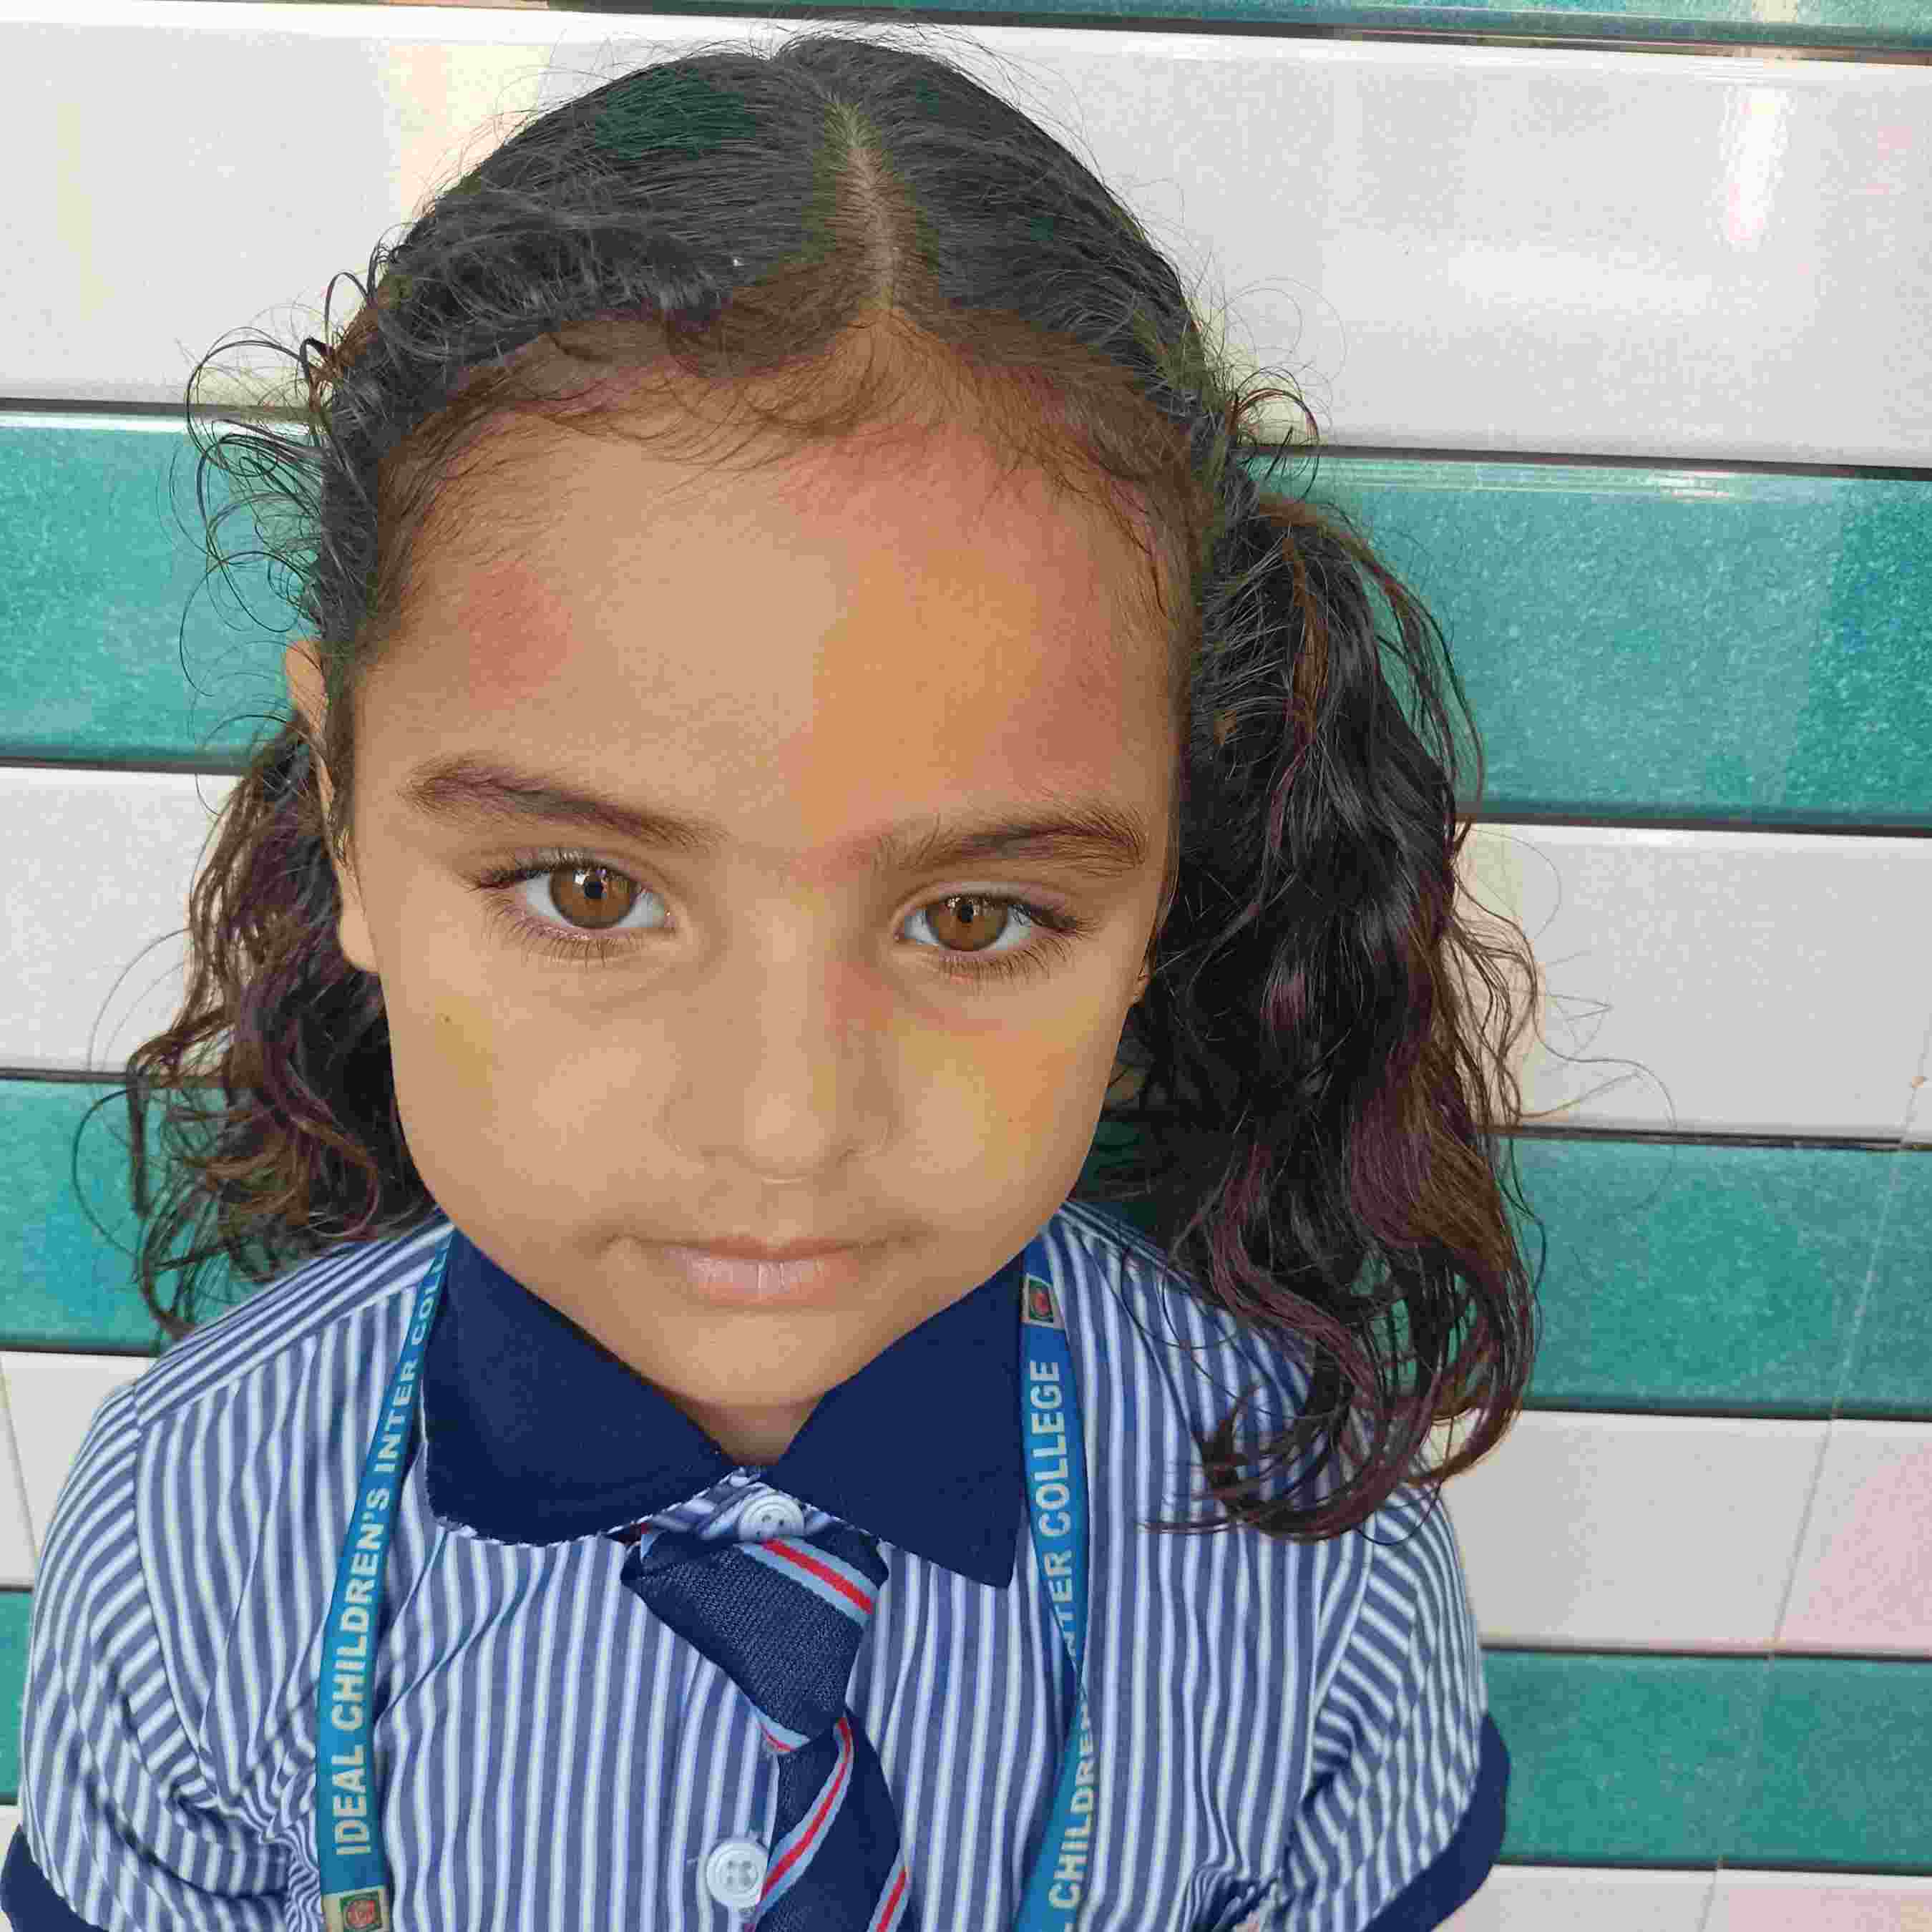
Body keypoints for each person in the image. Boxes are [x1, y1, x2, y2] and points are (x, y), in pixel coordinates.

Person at [6, 25, 1541, 1931]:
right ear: (342, 814)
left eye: (972, 918)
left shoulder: (1316, 1551)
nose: (783, 1128)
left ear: (1168, 870)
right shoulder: (189, 1529)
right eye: (586, 890)